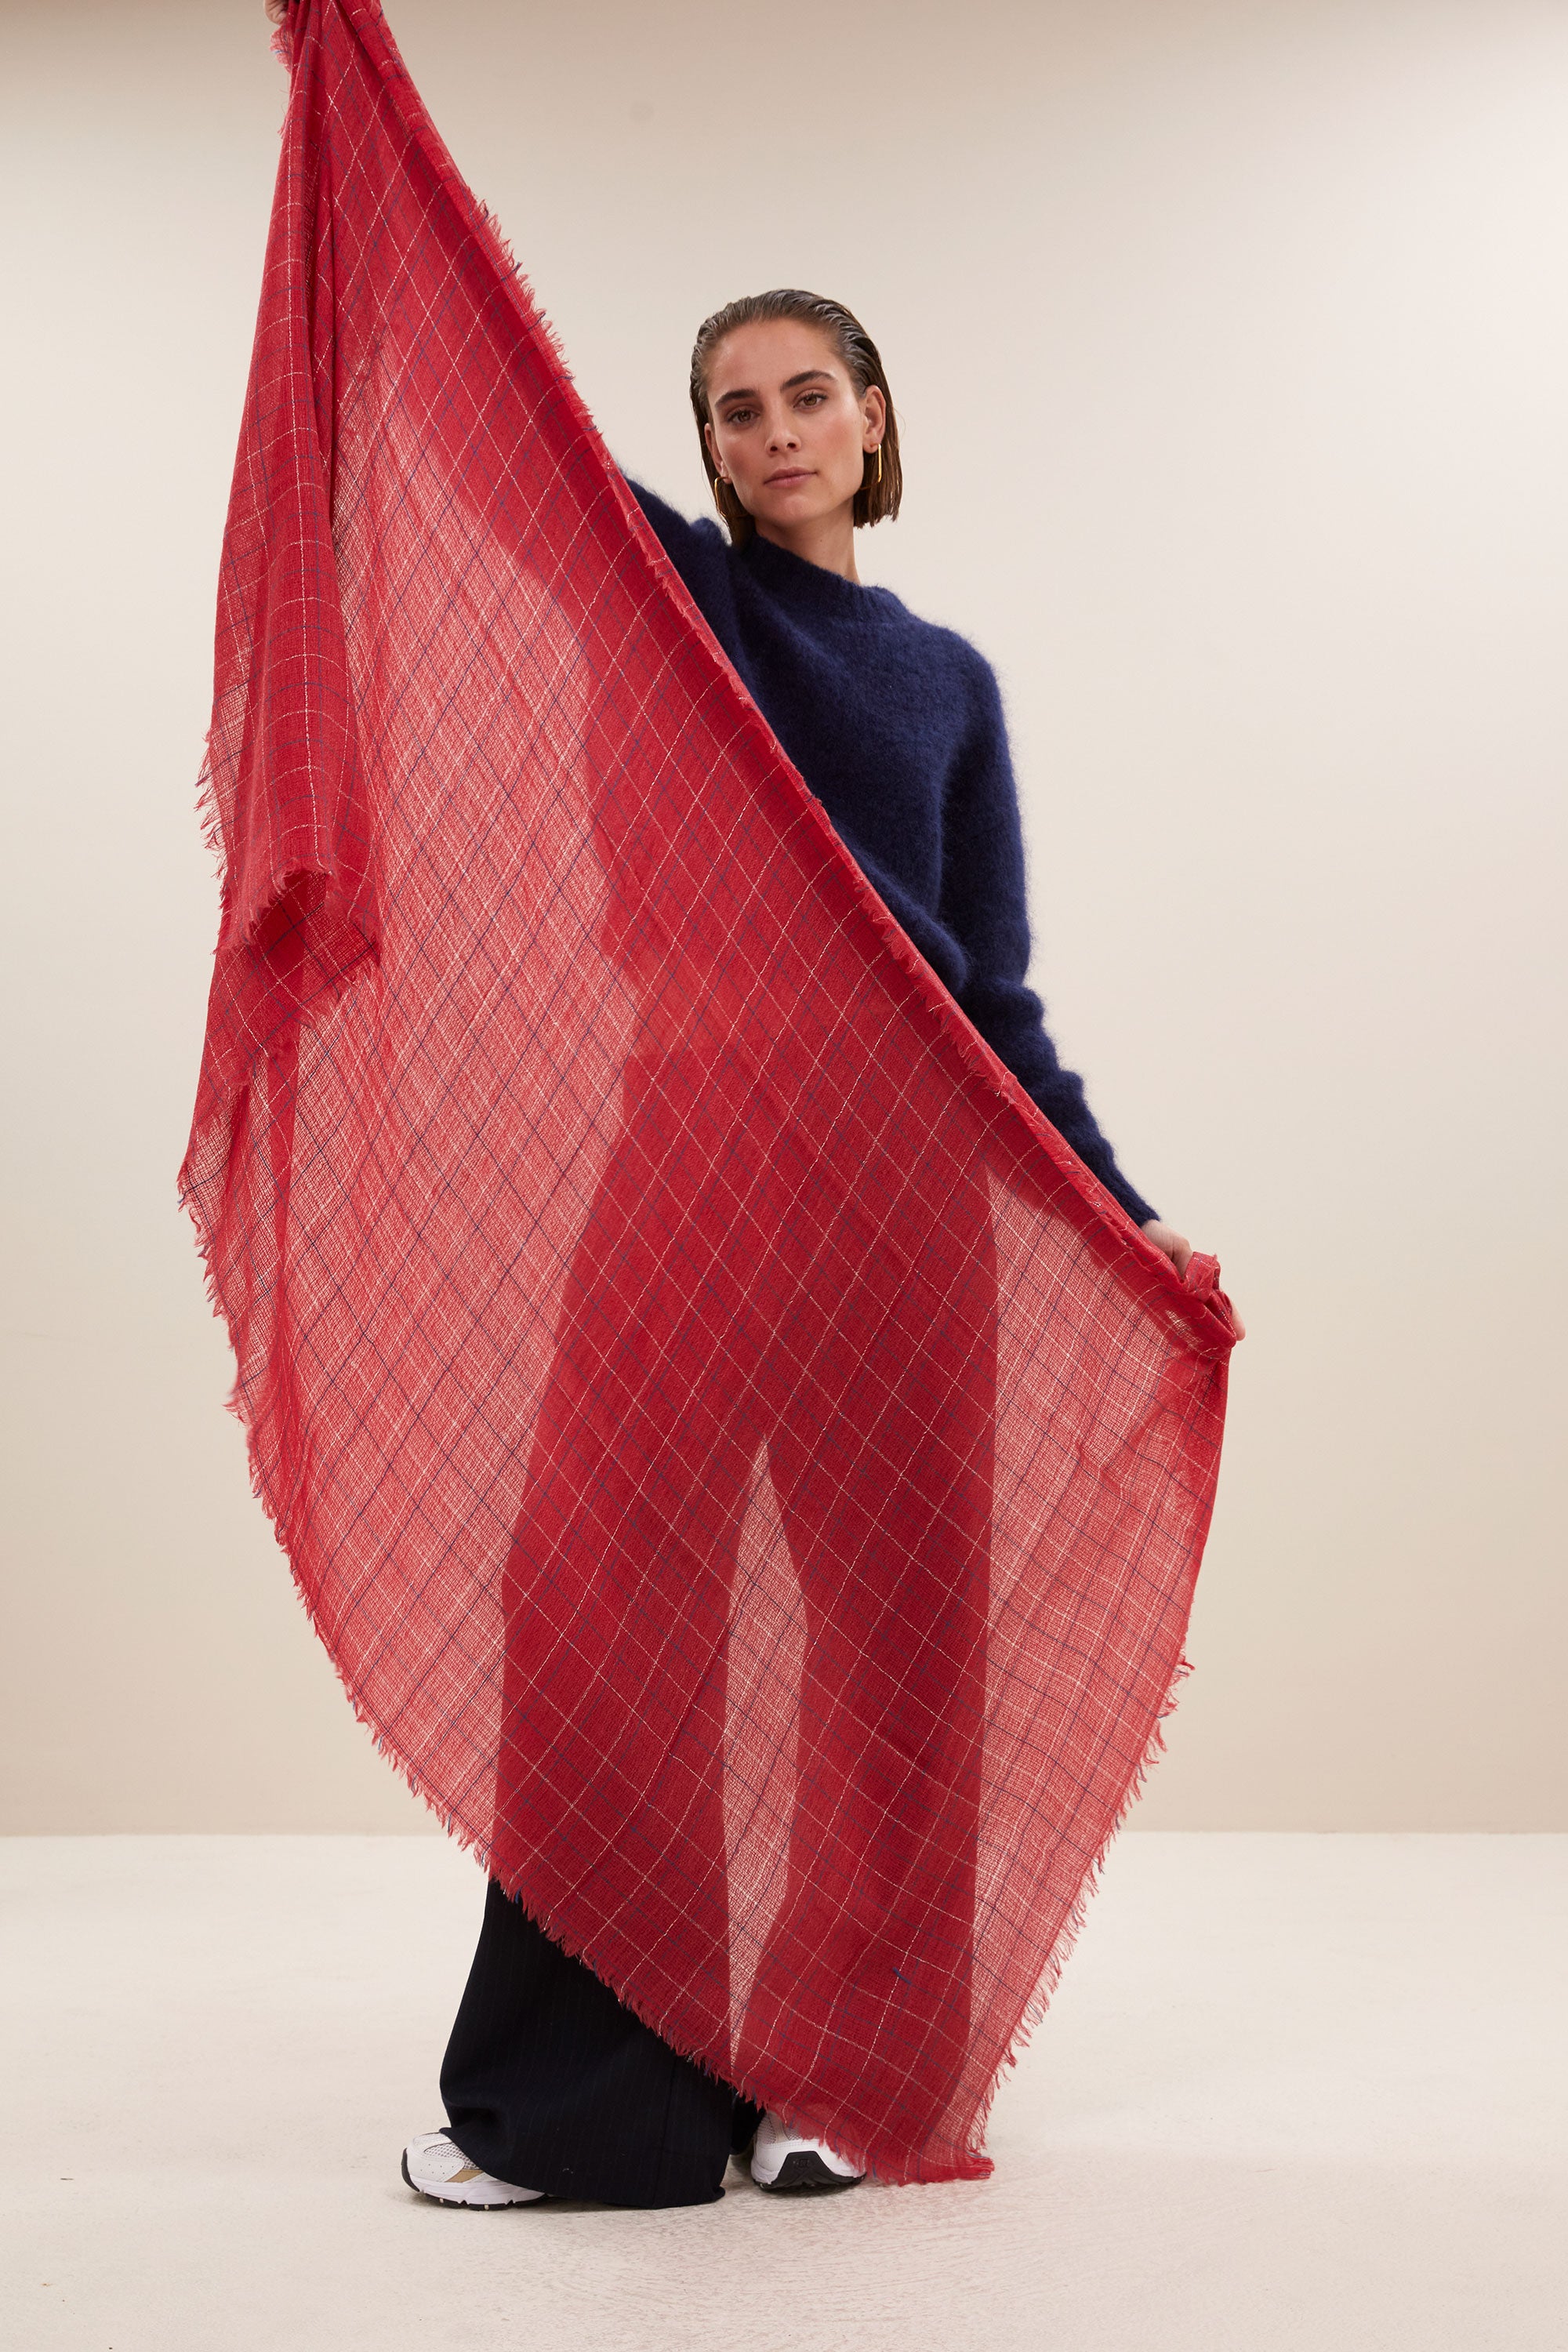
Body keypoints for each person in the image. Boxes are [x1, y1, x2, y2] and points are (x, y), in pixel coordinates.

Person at [400, 289, 1210, 2214]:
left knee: (898, 1628)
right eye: (732, 408)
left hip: (910, 1177)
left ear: (872, 418)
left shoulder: (945, 681)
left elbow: (991, 996)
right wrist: (382, 173)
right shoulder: (676, 603)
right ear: (704, 446)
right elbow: (508, 447)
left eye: (806, 395)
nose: (772, 431)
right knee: (604, 1605)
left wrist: (1119, 1207)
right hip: (694, 1151)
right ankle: (597, 2116)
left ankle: (851, 2079)